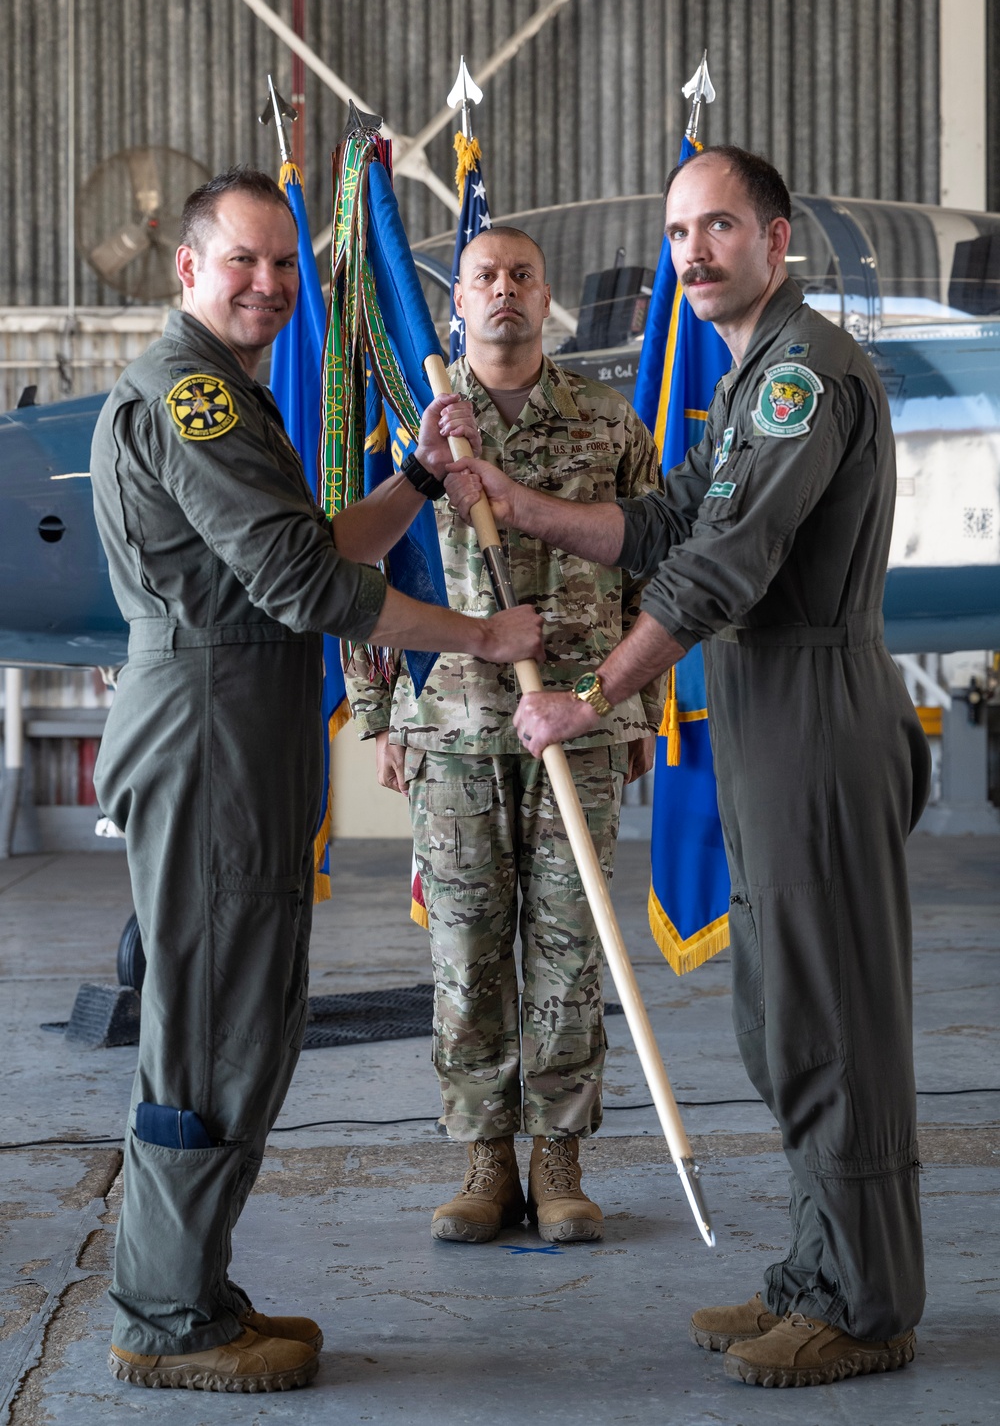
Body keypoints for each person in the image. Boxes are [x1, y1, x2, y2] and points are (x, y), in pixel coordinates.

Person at [447, 150, 931, 1388]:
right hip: (768, 716)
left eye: (719, 226)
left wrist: (591, 694)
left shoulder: (801, 379)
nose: (693, 251)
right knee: (782, 1015)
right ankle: (816, 1274)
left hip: (816, 708)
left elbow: (721, 571)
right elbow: (663, 525)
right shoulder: (746, 380)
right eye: (676, 232)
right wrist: (516, 498)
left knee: (831, 1024)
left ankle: (865, 1306)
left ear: (775, 240)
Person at [89, 168, 543, 1395]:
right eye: (245, 260)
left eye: (287, 265)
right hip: (208, 731)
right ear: (188, 267)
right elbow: (307, 592)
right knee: (205, 1026)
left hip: (243, 723)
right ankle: (165, 1318)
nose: (272, 285)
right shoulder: (192, 396)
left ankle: (194, 1285)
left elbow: (307, 551)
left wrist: (421, 481)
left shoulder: (231, 399)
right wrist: (480, 638)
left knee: (246, 1017)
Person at [346, 227, 663, 1247]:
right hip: (455, 724)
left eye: (521, 276)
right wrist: (383, 709)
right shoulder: (423, 428)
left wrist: (640, 706)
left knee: (572, 949)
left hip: (579, 715)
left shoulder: (607, 420)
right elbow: (368, 572)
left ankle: (558, 1161)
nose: (503, 292)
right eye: (484, 277)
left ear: (545, 296)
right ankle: (484, 1161)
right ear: (457, 303)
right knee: (467, 951)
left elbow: (651, 567)